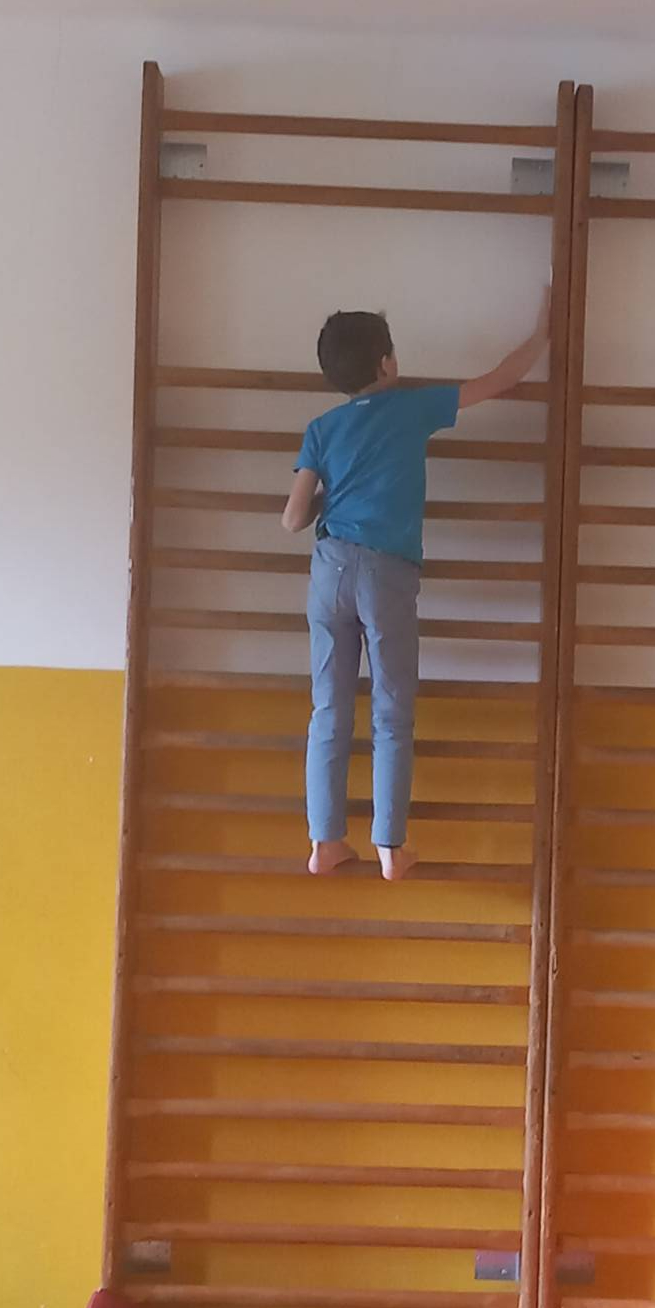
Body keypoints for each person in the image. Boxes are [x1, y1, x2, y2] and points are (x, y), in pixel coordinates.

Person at [281, 292, 550, 881]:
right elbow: (500, 379)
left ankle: (324, 841)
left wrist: (336, 495)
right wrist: (540, 332)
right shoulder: (412, 408)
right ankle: (389, 847)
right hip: (387, 573)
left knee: (328, 709)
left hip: (329, 571)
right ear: (386, 364)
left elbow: (293, 518)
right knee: (392, 710)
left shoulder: (321, 429)